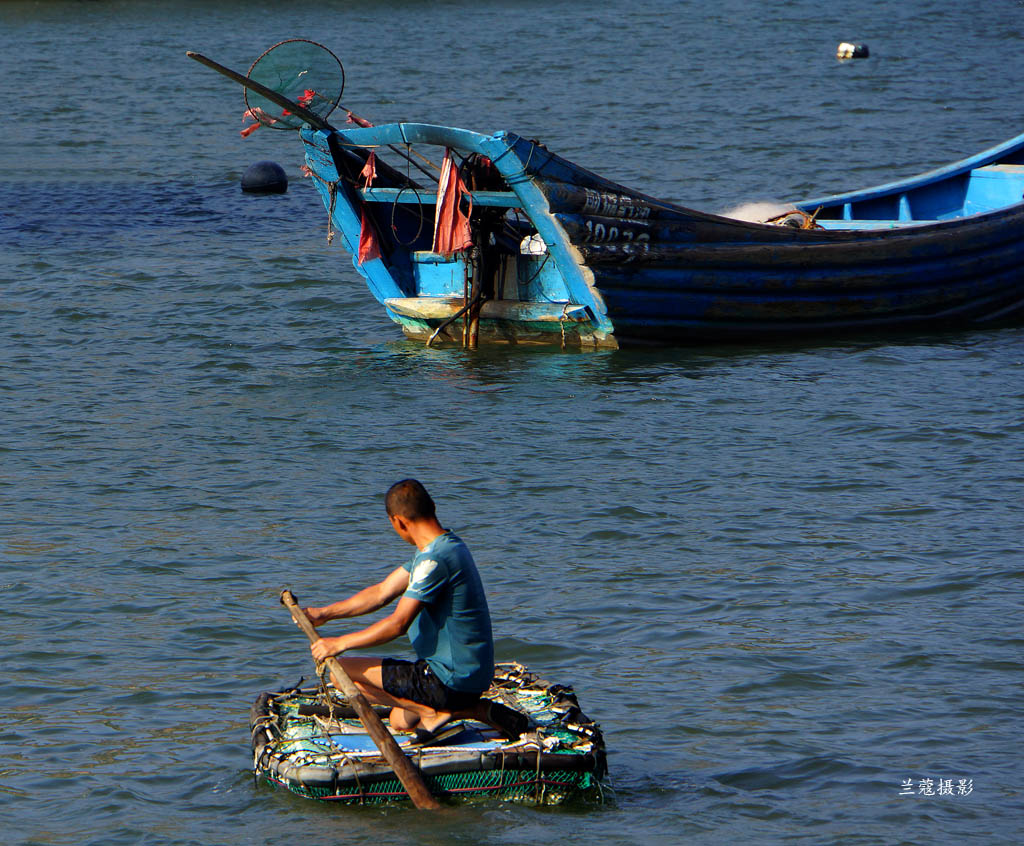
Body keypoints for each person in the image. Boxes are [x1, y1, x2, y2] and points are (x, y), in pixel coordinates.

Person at [305, 478, 526, 744]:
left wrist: (339, 643)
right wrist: (324, 614)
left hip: (447, 680)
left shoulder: (433, 560)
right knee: (399, 720)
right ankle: (476, 710)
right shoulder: (446, 546)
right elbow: (381, 592)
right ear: (432, 506)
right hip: (469, 679)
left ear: (397, 521)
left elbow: (397, 623)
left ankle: (430, 713)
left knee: (340, 672)